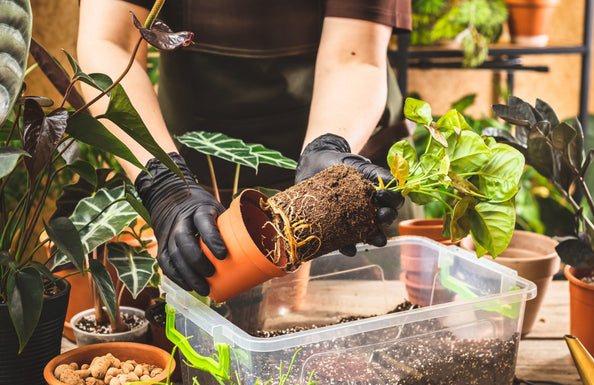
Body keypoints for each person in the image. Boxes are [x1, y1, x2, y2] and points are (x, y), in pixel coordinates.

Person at [76, 0, 412, 296]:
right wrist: (163, 181)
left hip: (340, 149)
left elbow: (354, 56)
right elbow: (109, 40)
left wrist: (329, 144)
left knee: (371, 313)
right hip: (193, 174)